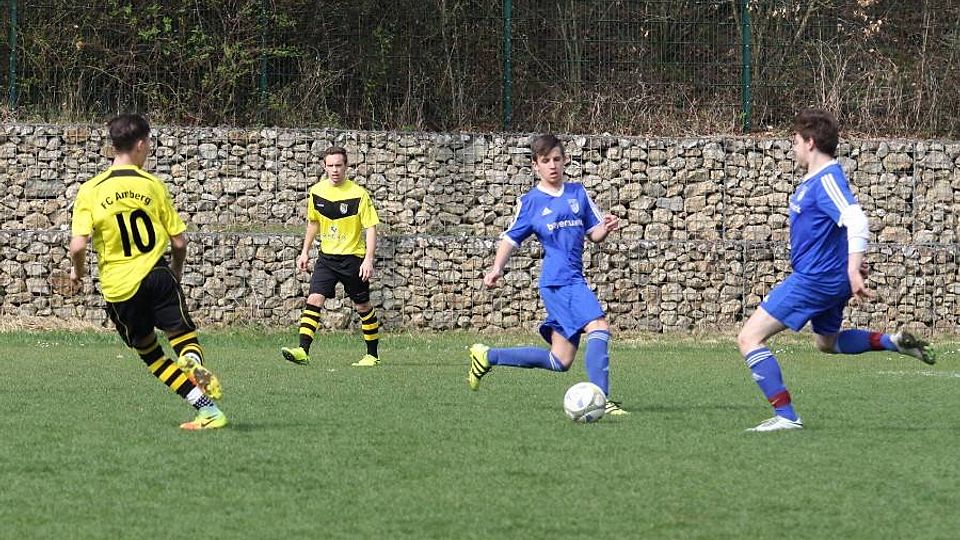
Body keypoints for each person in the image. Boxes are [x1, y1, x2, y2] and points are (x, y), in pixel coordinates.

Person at [736, 109, 936, 432]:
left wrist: (853, 268)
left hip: (815, 280)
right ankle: (893, 342)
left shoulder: (826, 179)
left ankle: (787, 417)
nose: (793, 148)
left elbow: (856, 220)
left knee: (749, 337)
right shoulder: (816, 180)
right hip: (828, 277)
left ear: (810, 143)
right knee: (826, 343)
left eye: (796, 142)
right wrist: (846, 259)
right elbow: (833, 228)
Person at [69, 113, 227, 431]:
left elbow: (77, 246)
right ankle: (193, 364)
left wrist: (78, 272)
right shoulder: (153, 185)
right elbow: (179, 241)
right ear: (141, 144)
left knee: (150, 352)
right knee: (182, 337)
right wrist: (175, 273)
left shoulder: (91, 189)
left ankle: (207, 410)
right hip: (158, 275)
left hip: (120, 287)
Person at [468, 134, 627, 416]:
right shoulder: (531, 202)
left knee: (560, 360)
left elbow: (594, 233)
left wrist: (607, 227)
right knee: (598, 327)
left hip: (571, 279)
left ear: (565, 160)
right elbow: (511, 238)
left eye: (556, 159)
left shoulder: (578, 193)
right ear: (535, 165)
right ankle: (602, 399)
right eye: (545, 161)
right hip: (559, 281)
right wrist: (496, 268)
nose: (552, 165)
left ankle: (487, 355)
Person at [281, 146, 382, 367]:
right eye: (330, 165)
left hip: (352, 259)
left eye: (338, 165)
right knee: (314, 299)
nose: (335, 170)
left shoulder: (359, 194)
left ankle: (372, 355)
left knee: (362, 306)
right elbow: (313, 223)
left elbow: (371, 227)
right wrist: (304, 252)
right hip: (326, 259)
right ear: (324, 167)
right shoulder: (316, 191)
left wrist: (368, 259)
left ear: (346, 166)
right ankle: (302, 351)